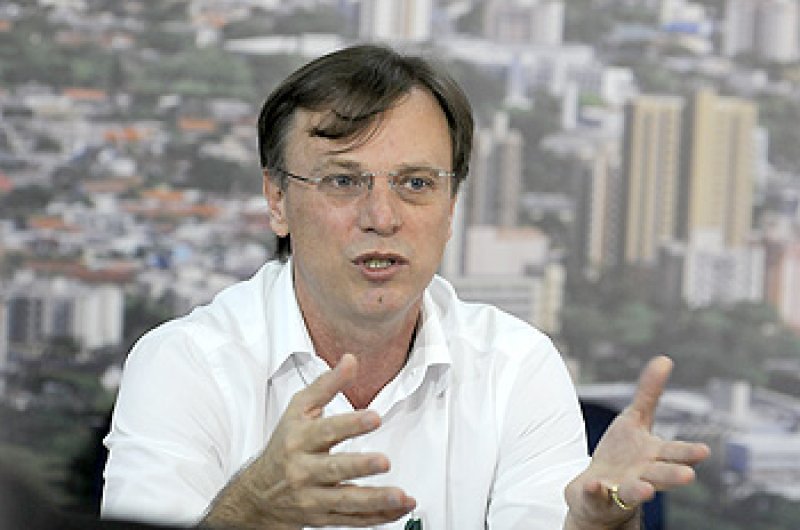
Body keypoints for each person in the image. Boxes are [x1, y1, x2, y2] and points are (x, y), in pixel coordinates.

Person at [101, 44, 709, 530]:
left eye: (416, 183)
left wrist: (594, 528)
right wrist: (252, 509)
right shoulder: (182, 364)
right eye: (344, 181)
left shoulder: (516, 366)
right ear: (277, 200)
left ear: (451, 207)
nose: (382, 217)